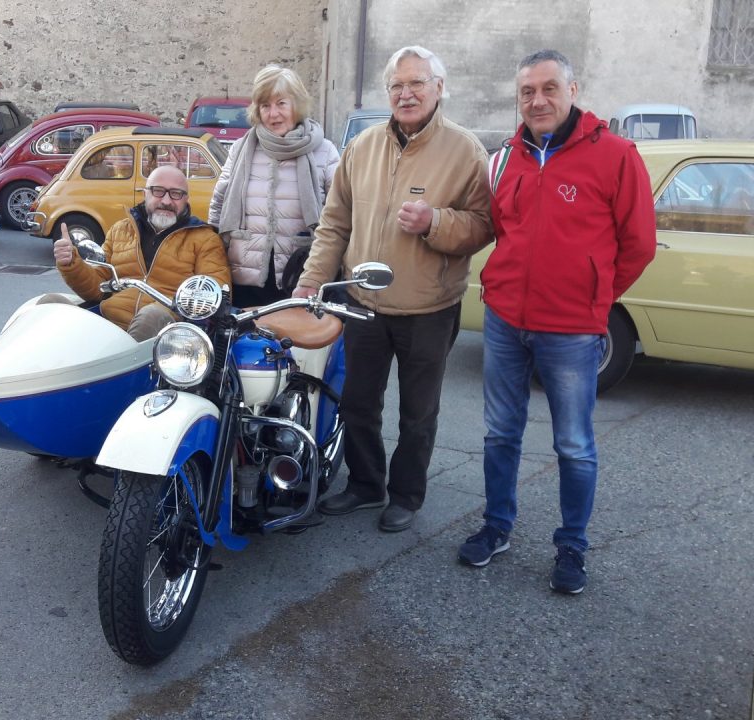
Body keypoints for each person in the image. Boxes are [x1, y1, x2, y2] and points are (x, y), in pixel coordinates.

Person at [457, 50, 656, 594]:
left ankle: (572, 546)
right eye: (527, 92)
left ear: (573, 88)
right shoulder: (506, 158)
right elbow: (502, 226)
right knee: (501, 432)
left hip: (570, 330)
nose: (538, 100)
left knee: (573, 444)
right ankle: (497, 526)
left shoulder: (615, 156)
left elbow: (638, 245)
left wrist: (594, 299)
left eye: (549, 88)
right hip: (504, 320)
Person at [292, 46, 491, 533]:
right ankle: (365, 484)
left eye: (417, 83)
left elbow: (484, 226)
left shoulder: (466, 151)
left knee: (418, 412)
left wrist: (435, 222)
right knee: (358, 401)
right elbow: (335, 224)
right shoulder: (362, 148)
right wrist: (310, 283)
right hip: (363, 303)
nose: (406, 93)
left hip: (429, 307)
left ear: (438, 88)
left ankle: (406, 494)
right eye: (397, 85)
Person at [208, 65, 339, 308]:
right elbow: (219, 203)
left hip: (300, 274)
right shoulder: (241, 149)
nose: (273, 113)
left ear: (296, 105)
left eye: (281, 103)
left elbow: (339, 214)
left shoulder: (324, 151)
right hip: (244, 272)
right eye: (265, 106)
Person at [52, 165, 230, 341]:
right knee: (50, 304)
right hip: (109, 324)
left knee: (150, 316)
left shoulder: (205, 238)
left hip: (166, 335)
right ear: (145, 193)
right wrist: (71, 263)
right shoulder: (120, 230)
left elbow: (214, 293)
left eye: (176, 194)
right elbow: (97, 288)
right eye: (158, 191)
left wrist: (180, 303)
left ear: (186, 199)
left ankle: (123, 365)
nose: (166, 201)